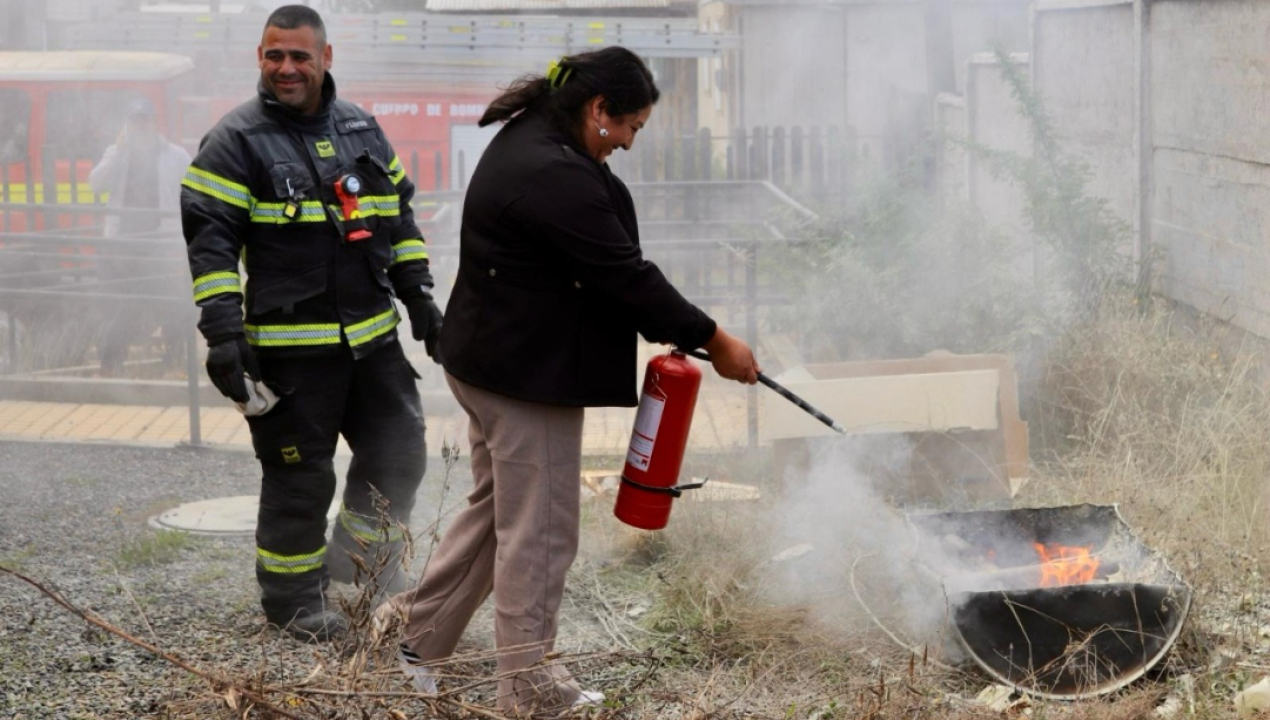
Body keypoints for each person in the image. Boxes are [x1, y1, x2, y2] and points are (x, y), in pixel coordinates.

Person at [378, 47, 759, 713]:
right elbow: (626, 276)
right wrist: (716, 339)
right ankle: (529, 690)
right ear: (599, 109)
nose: (630, 143)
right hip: (525, 380)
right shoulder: (553, 171)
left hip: (492, 361)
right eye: (631, 127)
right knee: (542, 534)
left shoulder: (533, 136)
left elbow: (605, 268)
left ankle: (416, 639)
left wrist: (683, 328)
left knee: (499, 517)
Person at [180, 5, 444, 643]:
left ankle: (362, 563)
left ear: (326, 58)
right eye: (274, 55)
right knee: (301, 478)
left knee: (401, 452)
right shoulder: (235, 140)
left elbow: (398, 219)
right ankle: (293, 600)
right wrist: (224, 336)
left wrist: (420, 299)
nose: (286, 68)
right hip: (291, 350)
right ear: (259, 58)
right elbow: (211, 246)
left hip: (372, 341)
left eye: (300, 56)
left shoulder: (362, 129)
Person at [89, 98, 191, 376]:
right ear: (127, 124)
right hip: (121, 246)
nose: (140, 126)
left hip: (161, 244)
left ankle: (173, 362)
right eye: (134, 121)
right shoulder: (116, 153)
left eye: (144, 120)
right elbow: (96, 184)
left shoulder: (176, 156)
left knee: (171, 304)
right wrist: (117, 154)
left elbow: (195, 192)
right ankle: (111, 365)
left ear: (153, 122)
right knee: (118, 307)